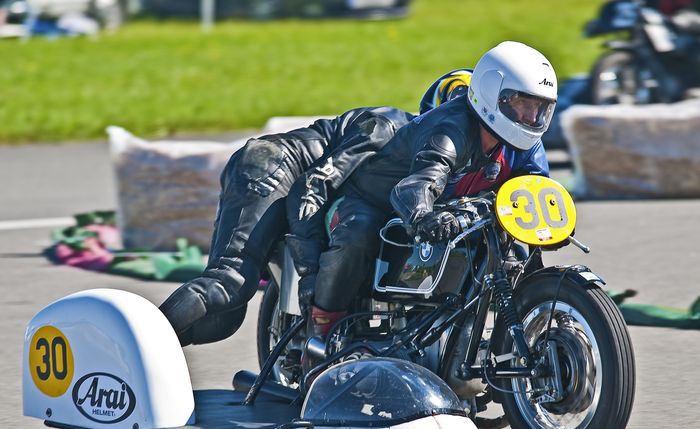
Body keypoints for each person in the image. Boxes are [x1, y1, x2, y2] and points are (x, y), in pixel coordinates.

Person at [298, 41, 557, 337]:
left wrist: (548, 225)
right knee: (359, 232)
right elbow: (420, 183)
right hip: (373, 202)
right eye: (524, 103)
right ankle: (319, 333)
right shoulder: (450, 129)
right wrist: (422, 216)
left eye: (539, 108)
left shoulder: (525, 145)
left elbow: (537, 191)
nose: (531, 117)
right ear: (493, 95)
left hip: (438, 210)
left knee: (511, 253)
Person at [159, 106, 414, 346]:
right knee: (230, 283)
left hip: (297, 183)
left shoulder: (434, 162)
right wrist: (310, 274)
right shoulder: (387, 126)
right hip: (273, 168)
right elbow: (313, 186)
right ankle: (131, 348)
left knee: (224, 322)